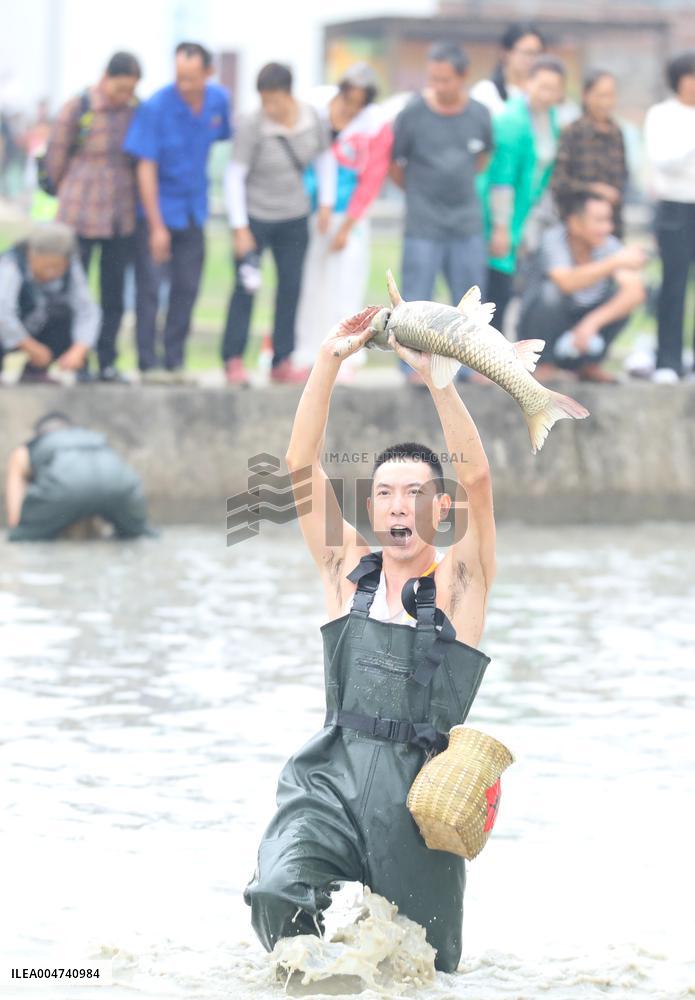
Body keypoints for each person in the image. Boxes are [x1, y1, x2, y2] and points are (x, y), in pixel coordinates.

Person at [244, 307, 496, 974]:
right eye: (384, 492)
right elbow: (298, 465)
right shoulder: (343, 568)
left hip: (419, 799)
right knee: (276, 896)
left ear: (439, 510)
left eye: (414, 493)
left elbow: (475, 478)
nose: (396, 506)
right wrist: (327, 359)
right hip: (329, 776)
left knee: (425, 968)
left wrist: (439, 381)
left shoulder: (460, 584)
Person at [124, 42, 231, 382]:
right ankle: (147, 362)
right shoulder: (156, 107)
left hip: (194, 211)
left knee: (188, 287)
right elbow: (145, 168)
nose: (183, 85)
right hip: (158, 212)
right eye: (179, 77)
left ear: (208, 74)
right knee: (150, 289)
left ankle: (174, 359)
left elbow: (223, 137)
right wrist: (156, 226)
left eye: (191, 78)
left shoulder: (218, 101)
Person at [223, 62, 335, 386]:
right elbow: (235, 176)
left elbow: (325, 159)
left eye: (274, 100)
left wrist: (325, 203)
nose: (269, 108)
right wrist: (239, 228)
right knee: (245, 288)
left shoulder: (312, 119)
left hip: (294, 216)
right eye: (264, 101)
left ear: (288, 94)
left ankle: (281, 359)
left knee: (291, 287)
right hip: (255, 216)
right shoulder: (252, 124)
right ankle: (233, 359)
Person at [390, 42, 493, 383]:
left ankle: (472, 366)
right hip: (423, 221)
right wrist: (421, 193)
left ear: (463, 77)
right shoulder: (412, 114)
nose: (438, 86)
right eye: (433, 78)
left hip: (466, 220)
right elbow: (395, 164)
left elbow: (482, 158)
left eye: (445, 79)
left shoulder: (479, 114)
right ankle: (412, 366)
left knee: (469, 299)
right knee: (416, 299)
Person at [44, 52, 142, 383]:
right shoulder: (79, 108)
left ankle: (107, 358)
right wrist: (70, 190)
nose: (124, 96)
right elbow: (55, 159)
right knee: (75, 290)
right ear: (105, 78)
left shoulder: (134, 111)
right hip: (79, 215)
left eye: (130, 89)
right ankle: (77, 357)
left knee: (114, 292)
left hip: (119, 216)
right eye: (120, 88)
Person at [293, 63, 394, 376]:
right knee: (310, 283)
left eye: (357, 103)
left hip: (349, 217)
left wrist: (347, 226)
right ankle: (306, 350)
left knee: (345, 284)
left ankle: (347, 352)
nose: (349, 109)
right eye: (346, 99)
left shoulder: (375, 126)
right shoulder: (315, 110)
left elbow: (371, 181)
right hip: (310, 212)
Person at [518, 192, 646, 383]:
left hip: (584, 330)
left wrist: (591, 323)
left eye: (608, 220)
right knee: (549, 294)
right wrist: (612, 263)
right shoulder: (554, 240)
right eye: (599, 221)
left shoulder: (608, 245)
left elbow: (635, 292)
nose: (607, 228)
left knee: (621, 300)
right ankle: (545, 365)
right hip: (549, 325)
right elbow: (566, 282)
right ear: (575, 223)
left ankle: (589, 365)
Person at [479, 55, 565, 332]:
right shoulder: (512, 121)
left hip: (526, 213)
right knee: (496, 286)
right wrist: (501, 228)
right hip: (498, 214)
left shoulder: (550, 118)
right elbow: (501, 180)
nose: (547, 94)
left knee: (515, 283)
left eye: (554, 88)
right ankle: (484, 359)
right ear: (528, 83)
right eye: (542, 86)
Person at [5, 412, 154, 541]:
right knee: (139, 536)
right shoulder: (96, 438)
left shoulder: (26, 449)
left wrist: (19, 530)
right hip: (123, 489)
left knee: (21, 536)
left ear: (39, 434)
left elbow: (14, 516)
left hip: (65, 492)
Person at [644, 51, 695, 384]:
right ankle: (667, 359)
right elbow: (663, 160)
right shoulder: (662, 114)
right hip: (676, 205)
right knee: (674, 283)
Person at [0, 222, 99, 384]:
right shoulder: (11, 264)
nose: (51, 273)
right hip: (10, 328)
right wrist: (30, 346)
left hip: (40, 324)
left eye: (57, 267)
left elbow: (87, 310)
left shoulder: (71, 267)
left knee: (65, 314)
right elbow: (2, 313)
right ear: (31, 254)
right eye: (46, 266)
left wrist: (79, 349)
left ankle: (35, 372)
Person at [551, 69, 628, 238]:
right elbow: (558, 181)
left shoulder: (617, 132)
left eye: (610, 95)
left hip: (611, 225)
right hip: (578, 225)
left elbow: (623, 178)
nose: (606, 102)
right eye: (601, 96)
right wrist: (595, 190)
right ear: (586, 96)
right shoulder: (572, 132)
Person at [471, 22, 545, 117]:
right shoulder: (486, 92)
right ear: (505, 53)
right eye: (527, 53)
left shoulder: (544, 94)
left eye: (537, 54)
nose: (532, 59)